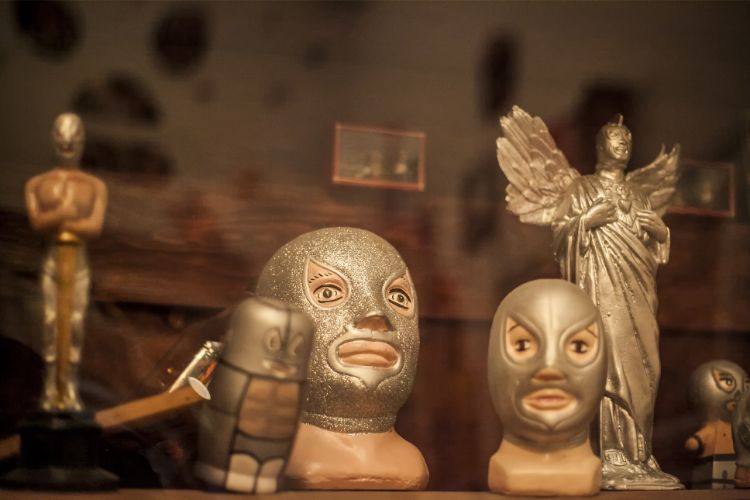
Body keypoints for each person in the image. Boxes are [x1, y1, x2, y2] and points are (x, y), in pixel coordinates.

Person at [551, 115, 679, 489]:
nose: (622, 143)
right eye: (614, 137)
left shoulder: (640, 195)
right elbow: (560, 238)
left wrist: (660, 232)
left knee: (647, 366)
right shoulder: (581, 188)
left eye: (627, 138)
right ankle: (611, 455)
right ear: (599, 145)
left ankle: (642, 456)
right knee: (608, 363)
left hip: (639, 293)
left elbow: (653, 247)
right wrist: (586, 220)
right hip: (602, 291)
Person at [24, 112, 107, 411]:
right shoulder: (37, 184)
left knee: (74, 325)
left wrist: (59, 218)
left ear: (81, 139)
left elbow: (93, 227)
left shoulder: (94, 185)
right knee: (50, 323)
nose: (68, 142)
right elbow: (38, 222)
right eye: (62, 135)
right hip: (51, 261)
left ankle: (68, 388)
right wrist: (64, 214)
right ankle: (50, 389)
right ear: (54, 138)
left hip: (79, 263)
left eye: (73, 135)